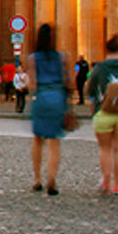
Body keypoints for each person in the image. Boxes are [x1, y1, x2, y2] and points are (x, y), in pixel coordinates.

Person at [86, 34, 118, 195]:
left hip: (104, 112)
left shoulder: (99, 68)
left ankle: (106, 180)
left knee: (105, 148)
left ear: (106, 50)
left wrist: (93, 103)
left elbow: (90, 89)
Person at [27, 23, 72, 196]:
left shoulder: (33, 58)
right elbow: (70, 81)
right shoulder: (62, 57)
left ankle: (37, 179)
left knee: (38, 140)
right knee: (54, 141)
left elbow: (32, 84)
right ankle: (52, 179)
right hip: (57, 97)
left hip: (42, 97)